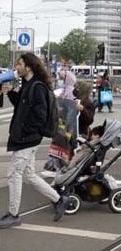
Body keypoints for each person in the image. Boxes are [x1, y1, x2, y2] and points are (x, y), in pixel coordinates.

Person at [0, 53, 69, 229]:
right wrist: (11, 93)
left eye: (20, 64)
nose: (17, 67)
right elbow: (22, 105)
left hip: (27, 139)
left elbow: (39, 115)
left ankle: (13, 214)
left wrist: (26, 132)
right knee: (29, 175)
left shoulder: (37, 87)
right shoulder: (28, 84)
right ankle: (59, 199)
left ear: (28, 67)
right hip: (26, 137)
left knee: (14, 173)